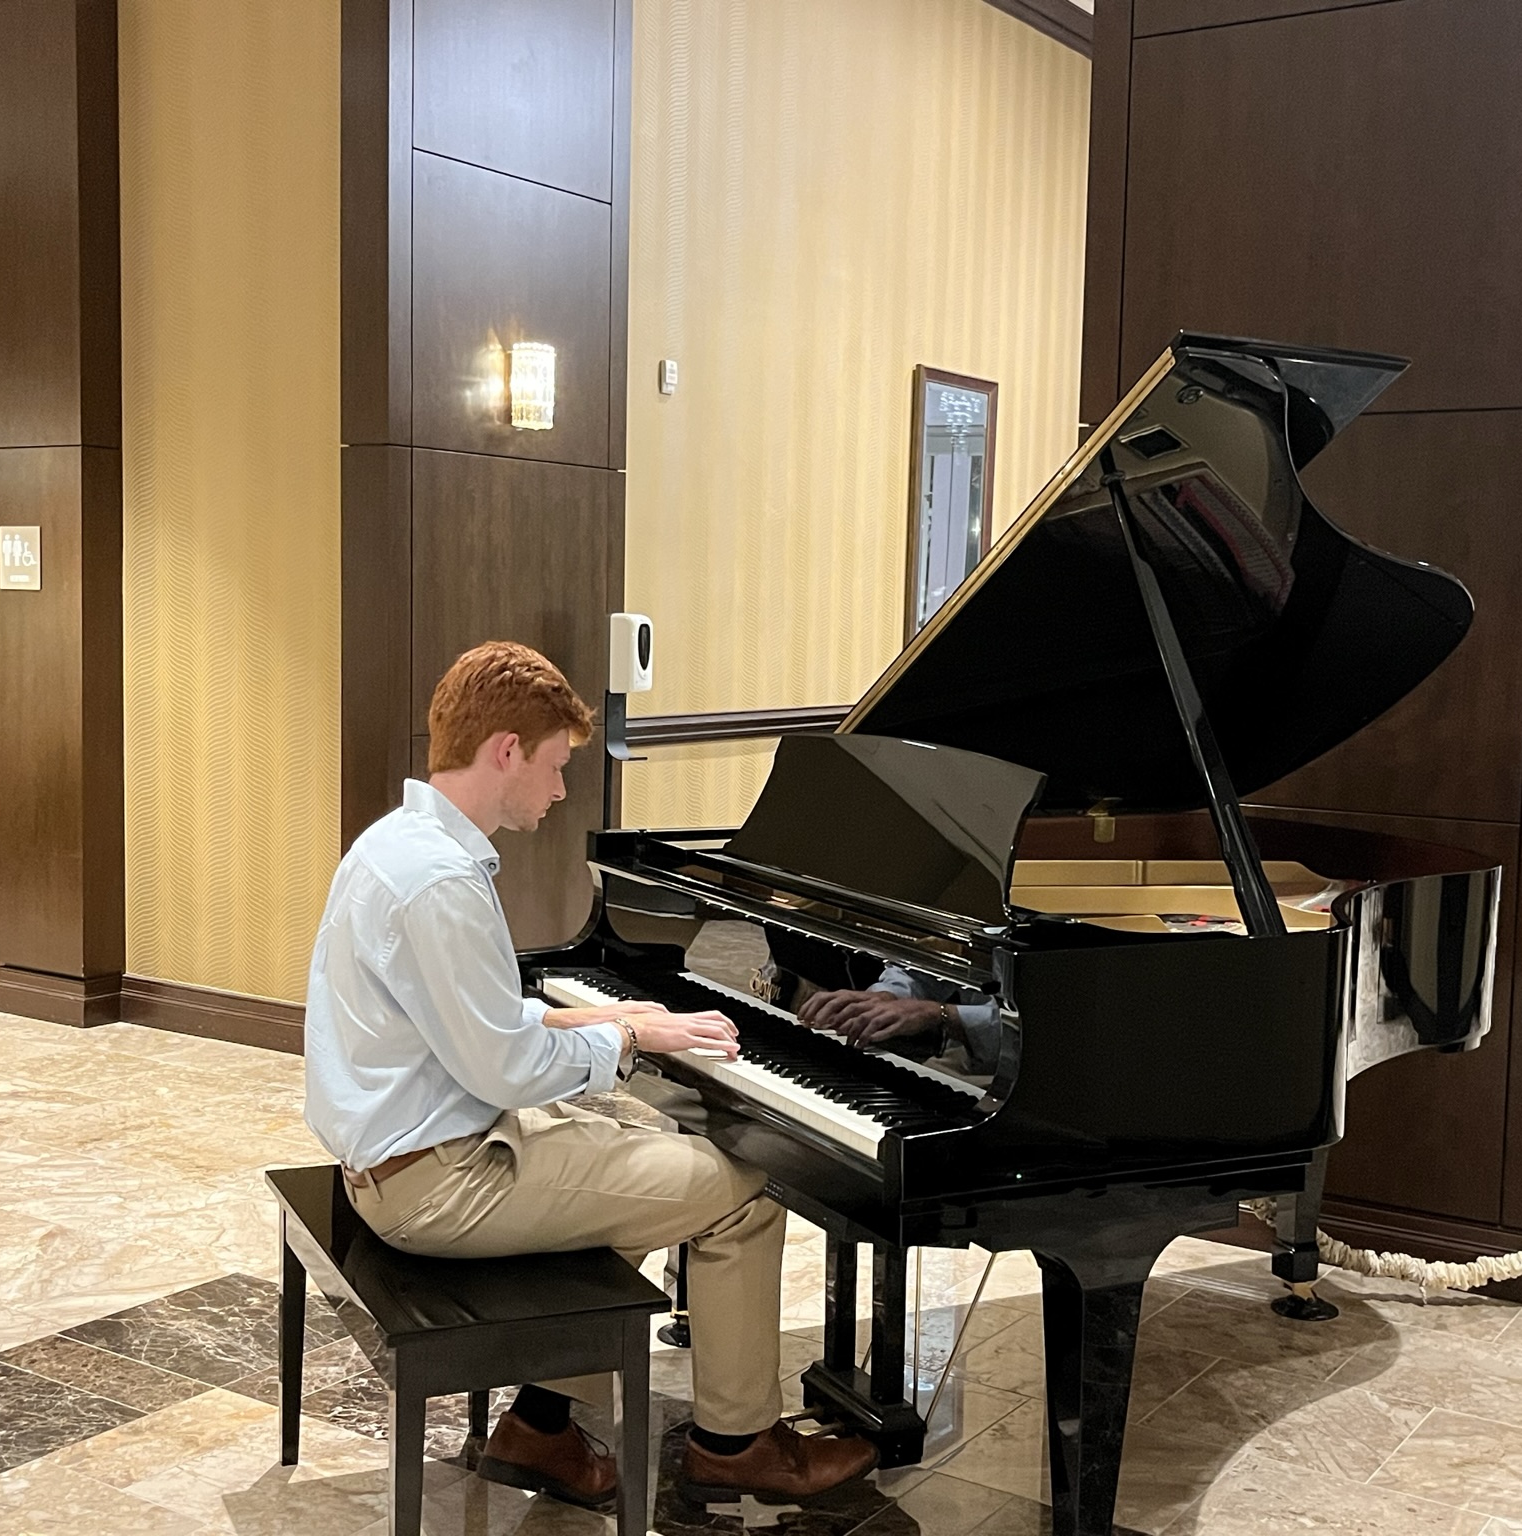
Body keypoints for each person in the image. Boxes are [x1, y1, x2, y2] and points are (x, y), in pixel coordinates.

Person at [303, 640, 877, 1509]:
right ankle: (738, 1446)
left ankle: (540, 1429)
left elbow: (477, 1022)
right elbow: (506, 1066)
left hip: (407, 1154)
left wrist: (612, 1018)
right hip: (438, 1185)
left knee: (641, 1139)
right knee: (744, 1190)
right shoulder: (442, 881)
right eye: (555, 765)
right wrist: (628, 1040)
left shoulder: (397, 845)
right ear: (506, 751)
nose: (561, 789)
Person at [797, 964, 1001, 1079]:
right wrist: (888, 995)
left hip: (999, 1068)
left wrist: (940, 1013)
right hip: (967, 1053)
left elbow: (1018, 1036)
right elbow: (928, 967)